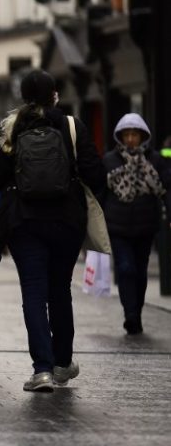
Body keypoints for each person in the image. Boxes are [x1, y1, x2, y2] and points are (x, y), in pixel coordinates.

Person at [0, 70, 106, 391]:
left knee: (34, 294)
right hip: (67, 220)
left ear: (23, 97)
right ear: (54, 96)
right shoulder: (73, 127)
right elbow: (95, 173)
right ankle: (63, 362)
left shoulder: (10, 129)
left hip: (25, 222)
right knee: (60, 290)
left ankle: (43, 370)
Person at [101, 113, 170, 336]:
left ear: (143, 136)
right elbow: (100, 194)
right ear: (120, 137)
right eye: (127, 135)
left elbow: (167, 189)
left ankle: (136, 313)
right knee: (125, 268)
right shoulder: (109, 160)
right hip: (117, 227)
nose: (131, 139)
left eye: (135, 134)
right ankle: (130, 314)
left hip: (145, 226)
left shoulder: (155, 161)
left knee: (140, 272)